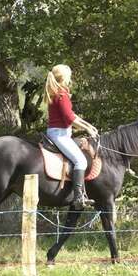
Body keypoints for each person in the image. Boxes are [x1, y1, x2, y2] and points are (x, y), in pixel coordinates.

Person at [44, 64, 98, 209]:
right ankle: (78, 197)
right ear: (65, 77)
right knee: (81, 161)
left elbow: (71, 115)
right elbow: (69, 118)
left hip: (58, 133)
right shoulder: (61, 94)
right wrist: (87, 128)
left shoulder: (58, 92)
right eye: (69, 76)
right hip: (60, 134)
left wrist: (88, 126)